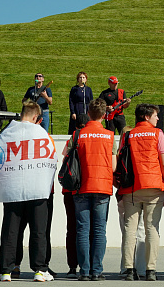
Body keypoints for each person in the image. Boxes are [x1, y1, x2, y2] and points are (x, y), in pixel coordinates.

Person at [0, 102, 57, 283]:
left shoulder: (6, 134)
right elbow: (52, 159)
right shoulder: (42, 134)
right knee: (38, 230)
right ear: (35, 117)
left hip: (12, 189)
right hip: (38, 190)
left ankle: (6, 270)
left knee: (10, 230)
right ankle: (40, 269)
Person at [62, 99, 115, 281]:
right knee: (99, 230)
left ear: (89, 113)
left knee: (82, 230)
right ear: (103, 115)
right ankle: (96, 271)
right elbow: (114, 166)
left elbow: (66, 162)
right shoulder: (109, 135)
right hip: (102, 187)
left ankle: (84, 271)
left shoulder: (77, 135)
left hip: (81, 187)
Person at [116, 103, 164, 281]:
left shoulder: (128, 134)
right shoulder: (157, 133)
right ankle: (150, 270)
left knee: (130, 229)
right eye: (155, 115)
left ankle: (129, 269)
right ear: (146, 117)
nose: (158, 118)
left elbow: (120, 158)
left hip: (132, 188)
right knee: (152, 228)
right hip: (154, 186)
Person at [63, 114, 90, 278]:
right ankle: (87, 265)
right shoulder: (88, 138)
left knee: (72, 228)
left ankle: (72, 266)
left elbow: (65, 157)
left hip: (69, 189)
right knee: (87, 228)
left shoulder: (71, 138)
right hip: (85, 188)